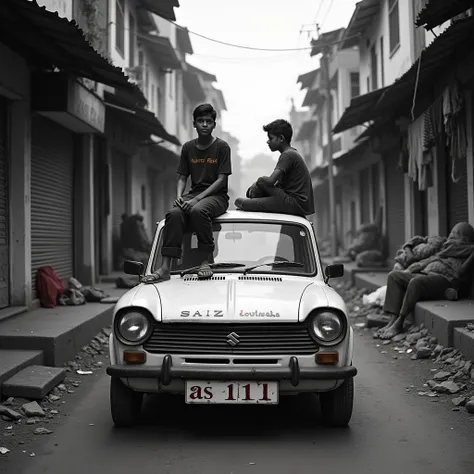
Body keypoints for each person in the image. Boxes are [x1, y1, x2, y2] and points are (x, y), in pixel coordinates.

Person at [143, 103, 232, 282]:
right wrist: (179, 197)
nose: (205, 124)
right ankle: (166, 266)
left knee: (200, 211)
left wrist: (196, 199)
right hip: (193, 195)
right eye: (201, 121)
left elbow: (221, 180)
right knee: (174, 214)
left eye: (208, 121)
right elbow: (182, 177)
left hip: (217, 196)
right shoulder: (188, 148)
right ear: (194, 124)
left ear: (214, 124)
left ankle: (206, 260)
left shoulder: (222, 147)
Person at [377, 222, 474, 340]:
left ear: (465, 238)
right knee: (394, 276)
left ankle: (399, 322)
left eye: (455, 234)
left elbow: (460, 273)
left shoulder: (469, 250)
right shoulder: (446, 248)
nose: (451, 236)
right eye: (451, 232)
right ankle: (392, 320)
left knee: (416, 282)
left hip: (445, 280)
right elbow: (427, 252)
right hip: (426, 274)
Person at [234, 119, 315, 217]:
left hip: (293, 203)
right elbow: (275, 185)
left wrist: (257, 183)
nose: (268, 142)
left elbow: (270, 181)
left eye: (271, 138)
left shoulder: (288, 155)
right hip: (294, 202)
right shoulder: (292, 153)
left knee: (240, 201)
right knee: (259, 186)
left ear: (281, 138)